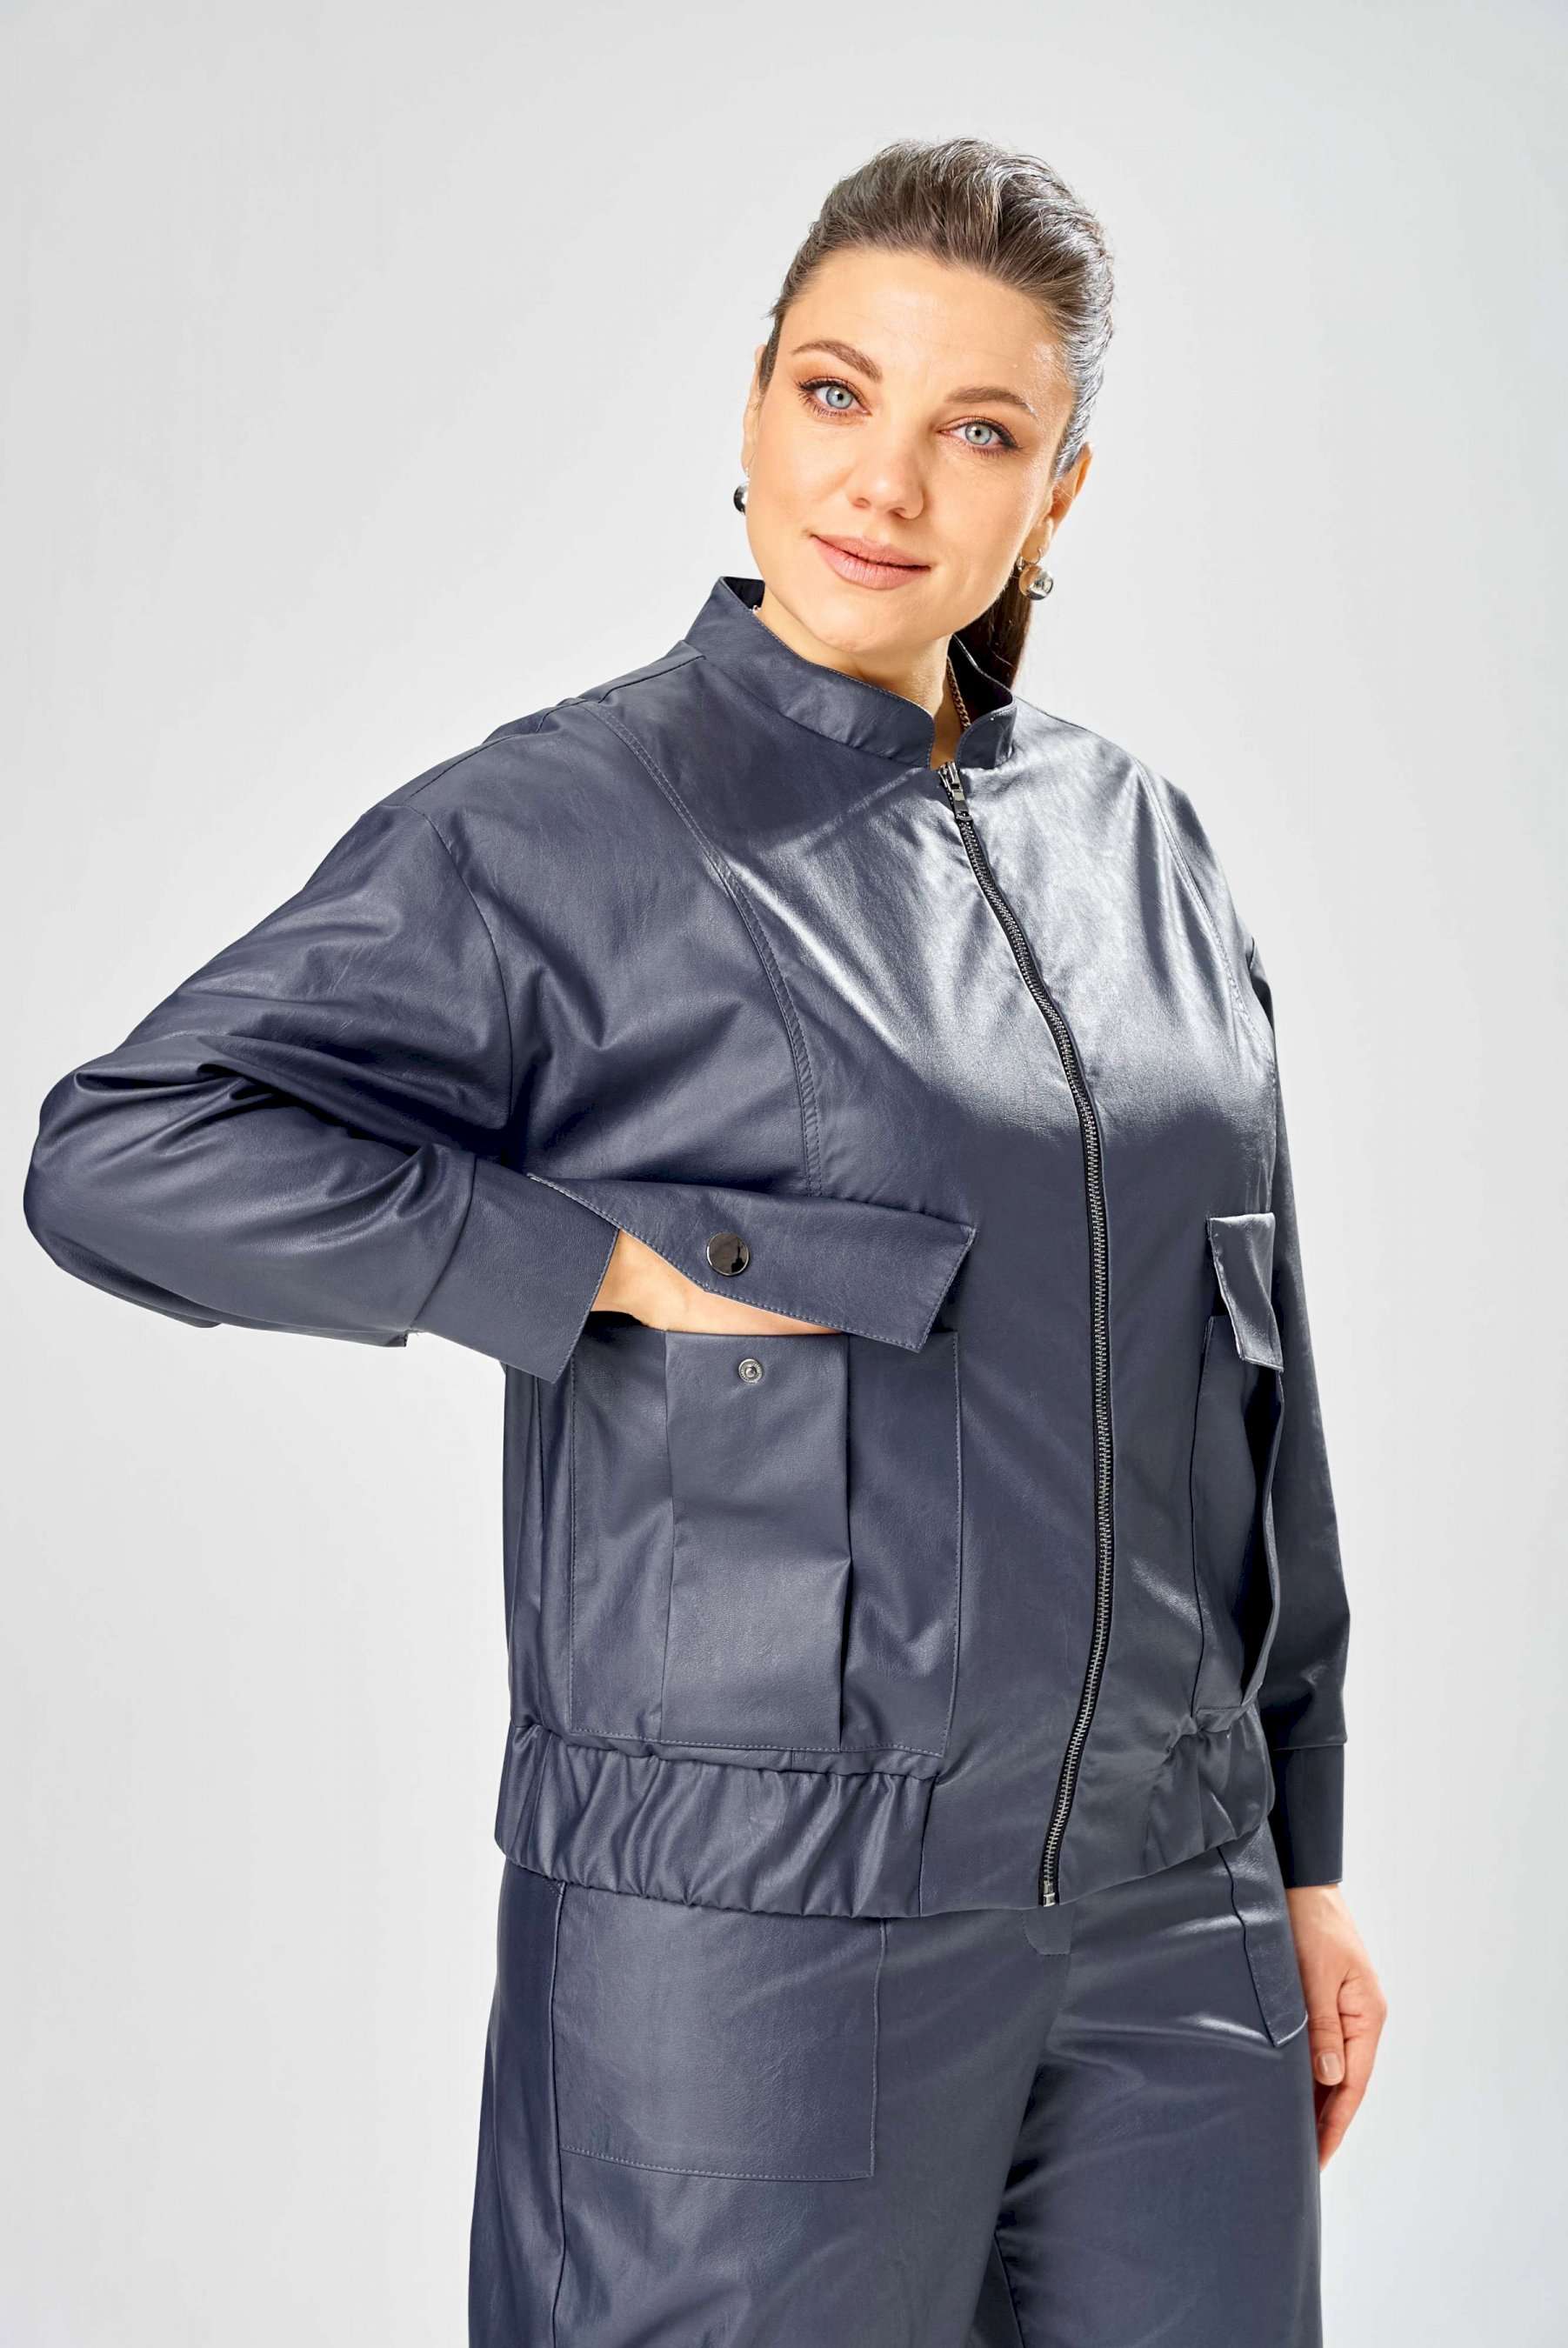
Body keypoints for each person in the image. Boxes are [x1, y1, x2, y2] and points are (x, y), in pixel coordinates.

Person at [22, 134, 1385, 2345]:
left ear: (1056, 495)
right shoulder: (565, 827)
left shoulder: (1140, 849)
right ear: (753, 403)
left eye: (978, 432)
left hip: (1173, 1925)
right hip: (753, 1945)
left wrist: (1296, 1861)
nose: (885, 482)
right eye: (836, 393)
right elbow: (122, 1148)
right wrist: (577, 1267)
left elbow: (1258, 1379)